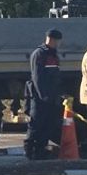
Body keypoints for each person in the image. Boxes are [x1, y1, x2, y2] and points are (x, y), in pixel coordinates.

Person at [24, 28, 63, 160]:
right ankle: (30, 151)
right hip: (39, 97)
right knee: (36, 124)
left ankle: (41, 149)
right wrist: (44, 96)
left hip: (50, 96)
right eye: (57, 41)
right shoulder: (39, 54)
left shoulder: (52, 55)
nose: (58, 44)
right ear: (51, 40)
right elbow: (37, 78)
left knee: (47, 124)